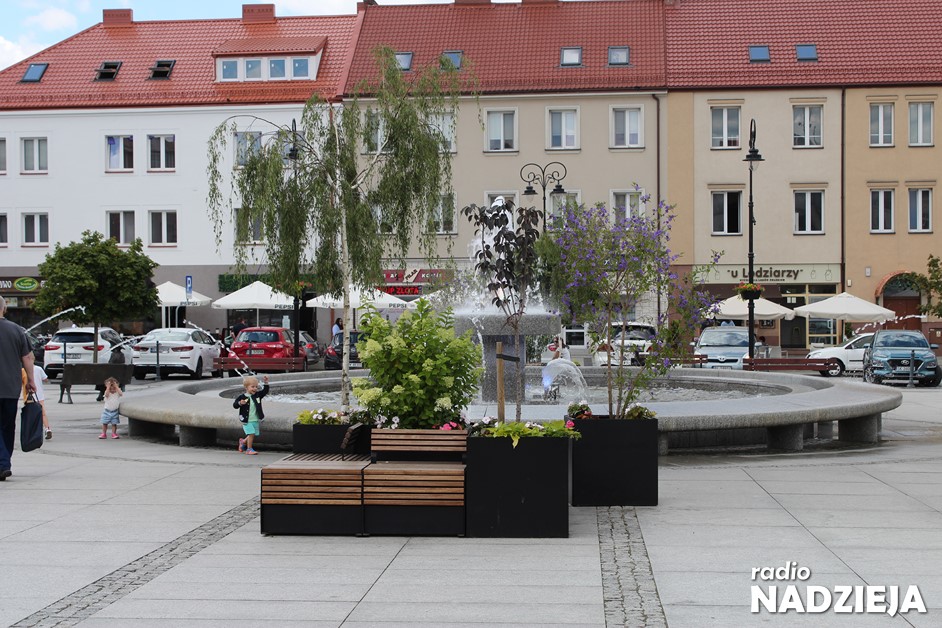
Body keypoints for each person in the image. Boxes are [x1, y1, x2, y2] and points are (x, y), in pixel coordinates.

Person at [0, 296, 35, 481]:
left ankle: (3, 463)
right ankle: (4, 463)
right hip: (10, 387)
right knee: (7, 426)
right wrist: (30, 380)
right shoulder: (16, 330)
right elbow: (28, 357)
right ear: (4, 309)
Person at [234, 374, 269, 455]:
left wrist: (266, 383)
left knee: (253, 434)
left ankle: (243, 441)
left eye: (256, 387)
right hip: (246, 420)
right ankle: (249, 449)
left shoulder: (257, 395)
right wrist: (240, 403)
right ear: (246, 387)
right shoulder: (242, 397)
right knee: (251, 433)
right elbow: (235, 405)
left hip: (255, 419)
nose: (255, 389)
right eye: (252, 387)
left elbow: (265, 391)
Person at [22, 365, 51, 439]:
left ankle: (32, 432)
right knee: (42, 413)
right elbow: (45, 379)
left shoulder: (23, 370)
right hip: (39, 395)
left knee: (30, 415)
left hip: (28, 396)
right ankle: (47, 429)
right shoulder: (39, 369)